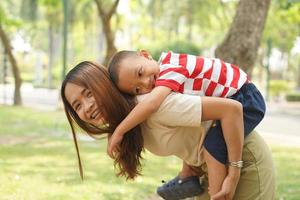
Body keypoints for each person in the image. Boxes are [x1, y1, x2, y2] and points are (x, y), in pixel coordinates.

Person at [61, 61, 275, 200]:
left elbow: (232, 110)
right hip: (212, 168)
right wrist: (189, 169)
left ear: (103, 85)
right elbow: (194, 130)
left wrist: (235, 171)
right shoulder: (129, 119)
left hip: (244, 161)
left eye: (88, 93)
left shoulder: (153, 105)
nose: (86, 106)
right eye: (77, 105)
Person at [107, 50, 266, 198]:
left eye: (140, 72)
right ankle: (188, 173)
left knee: (213, 146)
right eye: (137, 89)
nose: (145, 83)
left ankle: (222, 191)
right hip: (234, 96)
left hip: (245, 98)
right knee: (190, 121)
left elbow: (151, 104)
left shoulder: (171, 69)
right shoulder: (166, 71)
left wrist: (119, 131)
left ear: (145, 55)